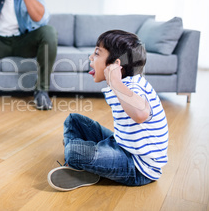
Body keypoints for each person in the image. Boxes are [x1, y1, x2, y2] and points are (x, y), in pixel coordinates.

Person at [47, 30, 168, 191]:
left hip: (139, 167)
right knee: (73, 121)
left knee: (74, 151)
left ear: (115, 65)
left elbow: (141, 114)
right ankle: (86, 164)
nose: (91, 57)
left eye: (97, 53)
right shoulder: (126, 84)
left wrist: (115, 82)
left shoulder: (132, 86)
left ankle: (79, 162)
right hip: (122, 144)